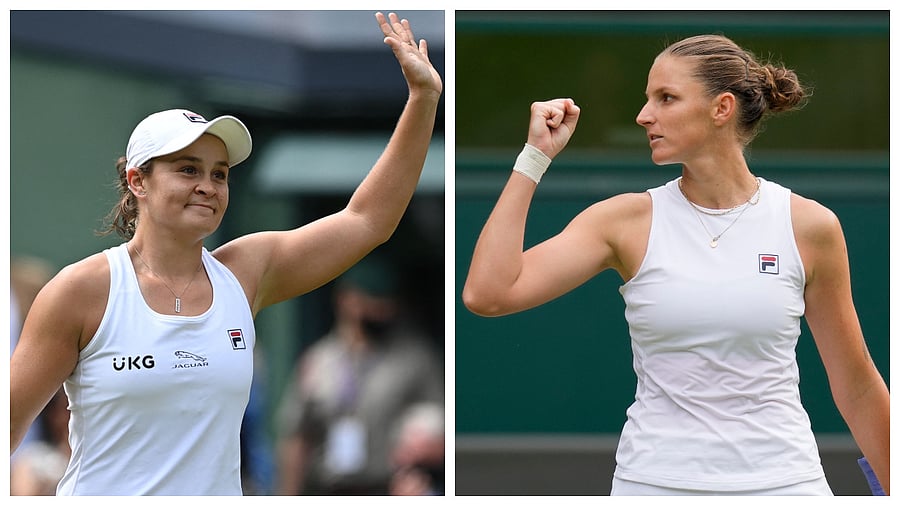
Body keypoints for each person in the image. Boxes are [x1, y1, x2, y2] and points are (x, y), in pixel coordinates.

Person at [9, 11, 442, 496]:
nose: (208, 186)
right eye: (188, 169)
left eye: (219, 173)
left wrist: (423, 99)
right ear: (138, 181)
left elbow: (367, 220)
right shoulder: (80, 291)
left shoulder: (246, 272)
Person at [462, 34, 889, 496]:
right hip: (653, 484)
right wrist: (534, 158)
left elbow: (857, 386)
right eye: (649, 98)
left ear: (721, 108)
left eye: (666, 98)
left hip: (788, 485)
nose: (644, 115)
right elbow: (489, 294)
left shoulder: (811, 226)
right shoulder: (623, 221)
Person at [275, 259, 443, 495]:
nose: (383, 310)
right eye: (374, 301)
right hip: (328, 488)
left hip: (388, 487)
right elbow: (297, 436)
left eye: (388, 303)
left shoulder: (415, 358)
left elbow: (439, 426)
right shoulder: (318, 360)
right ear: (347, 300)